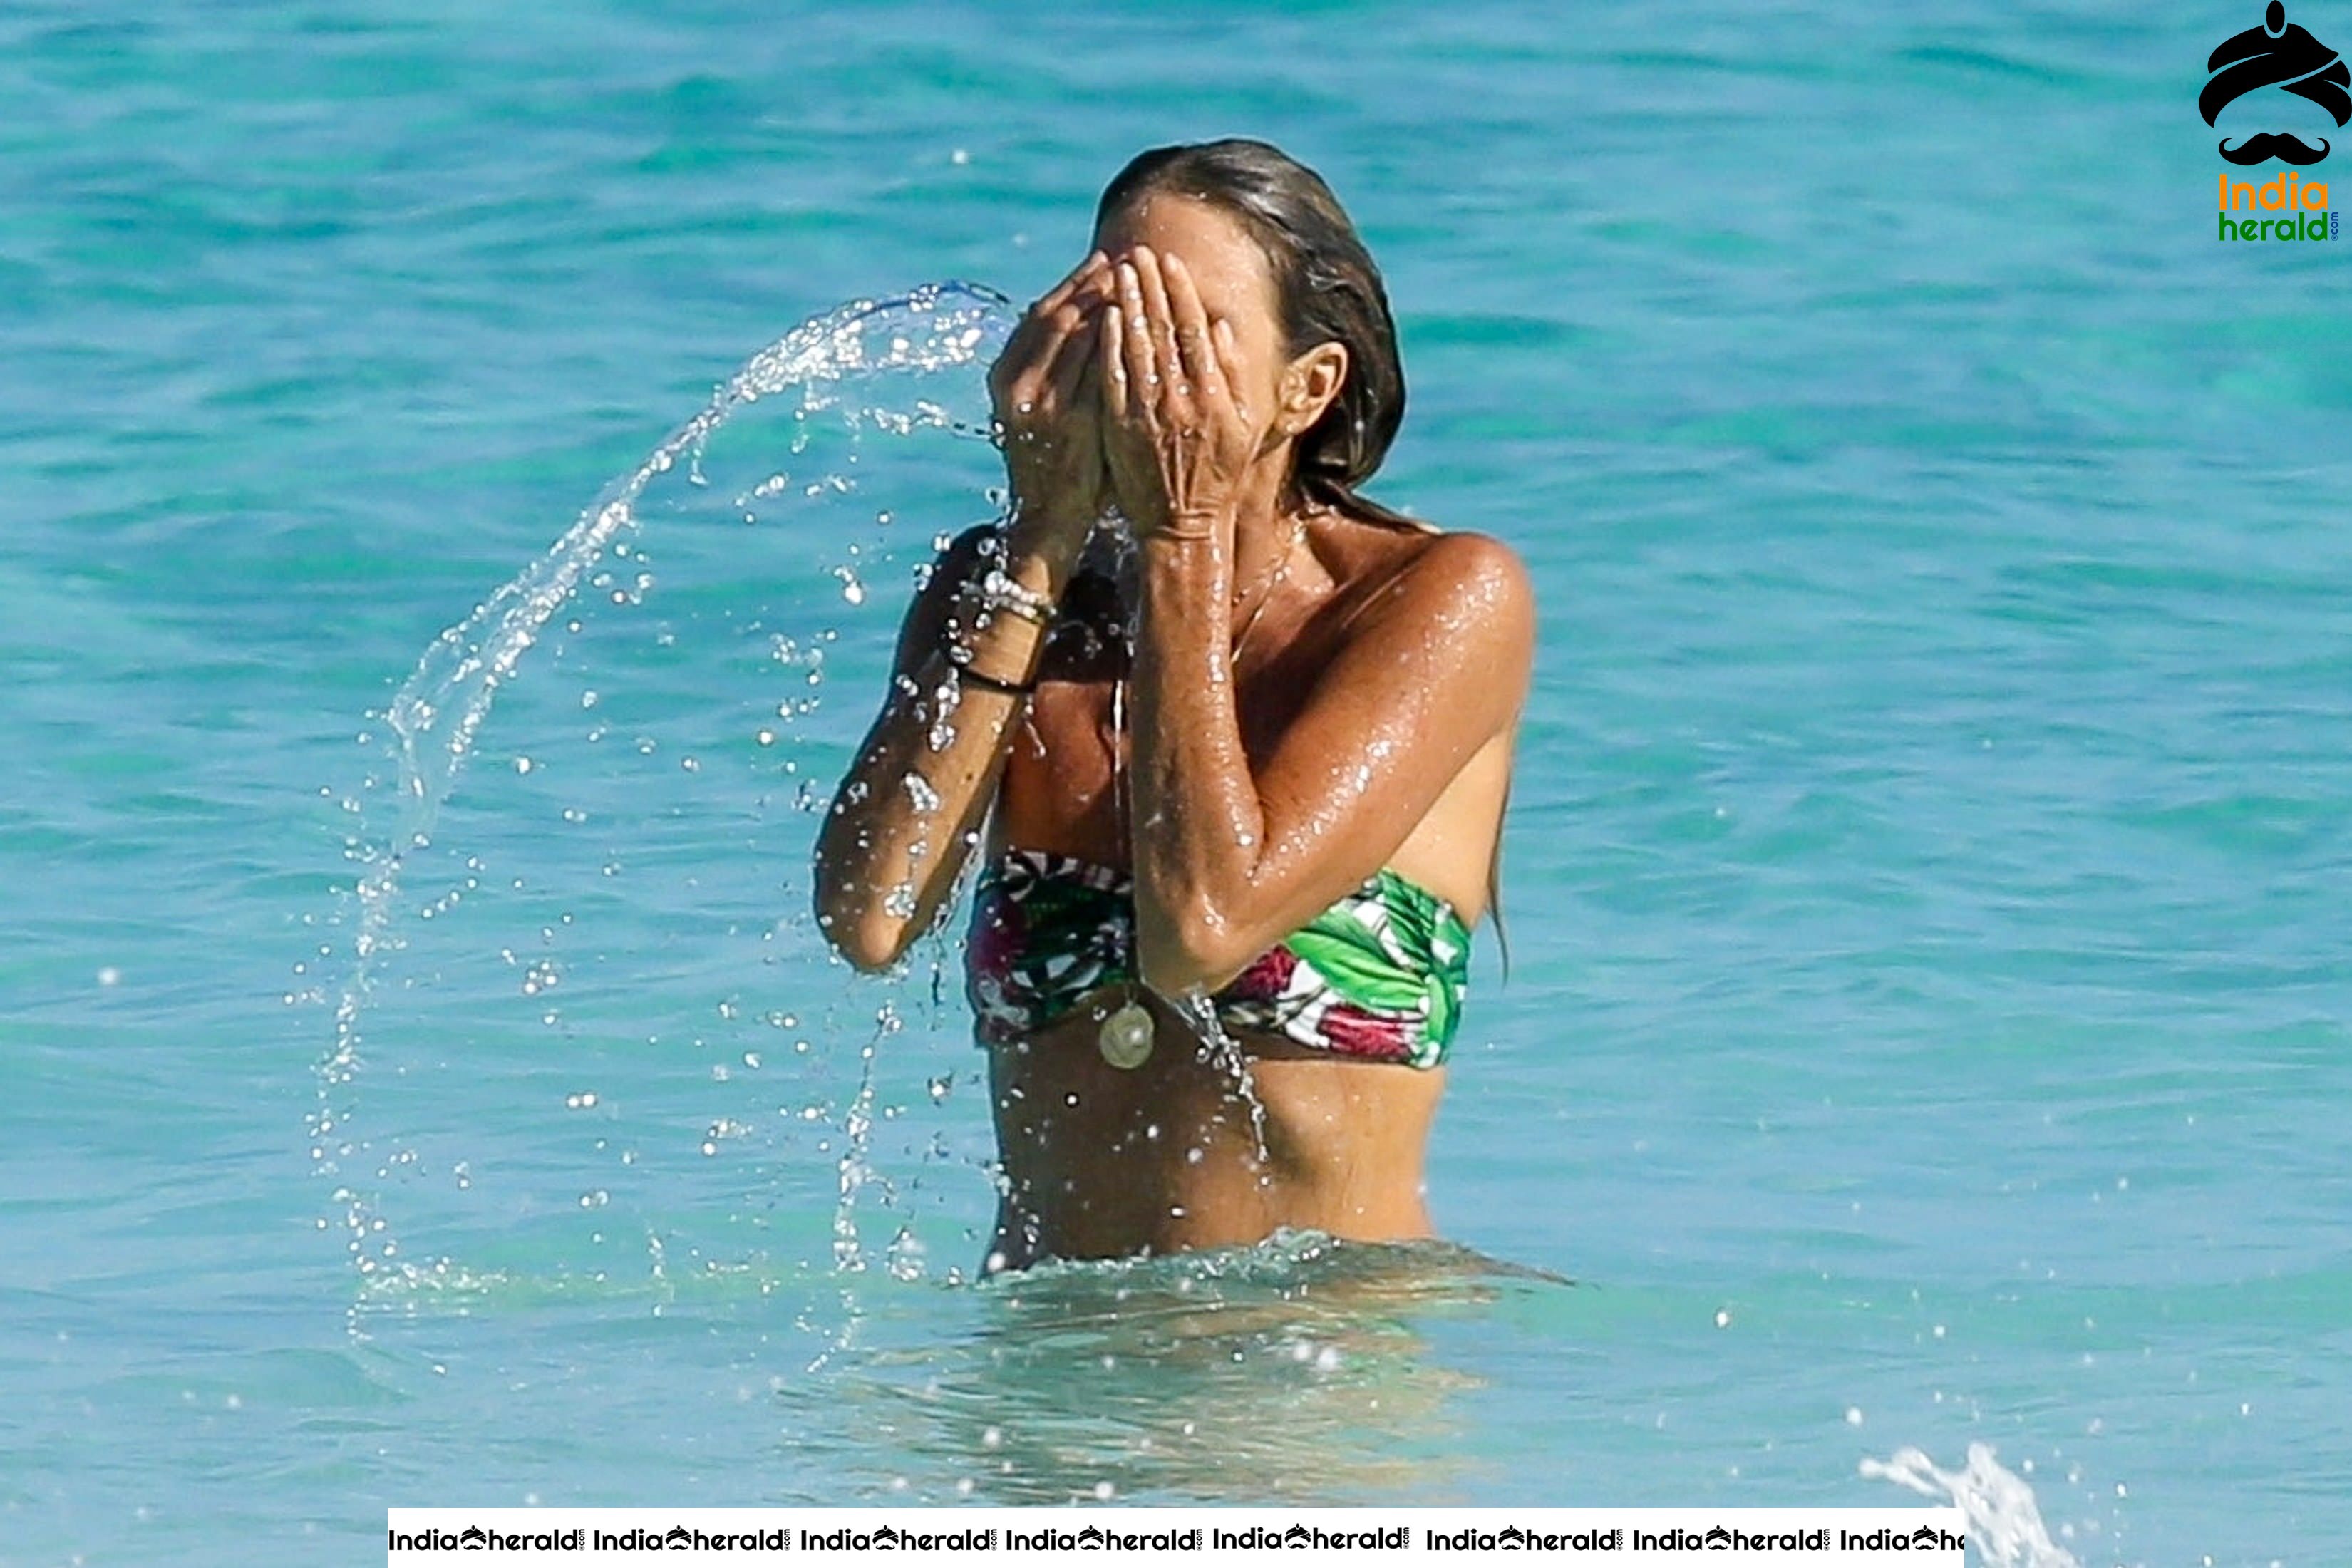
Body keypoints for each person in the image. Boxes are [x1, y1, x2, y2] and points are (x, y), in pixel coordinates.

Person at [813, 139, 1534, 1272]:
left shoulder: (1432, 600)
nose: (1133, 365)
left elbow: (1203, 928)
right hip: (1044, 1372)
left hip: (1320, 1376)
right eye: (1106, 313)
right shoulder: (1003, 595)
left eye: (1183, 332)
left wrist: (1179, 541)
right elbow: (872, 915)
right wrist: (1042, 541)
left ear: (1309, 387)